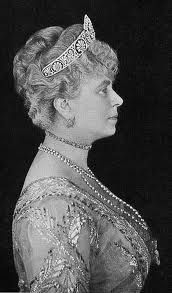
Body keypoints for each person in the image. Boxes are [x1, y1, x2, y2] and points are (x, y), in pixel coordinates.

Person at [12, 15, 160, 293]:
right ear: (64, 105)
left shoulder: (71, 166)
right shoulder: (52, 208)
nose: (118, 99)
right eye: (103, 90)